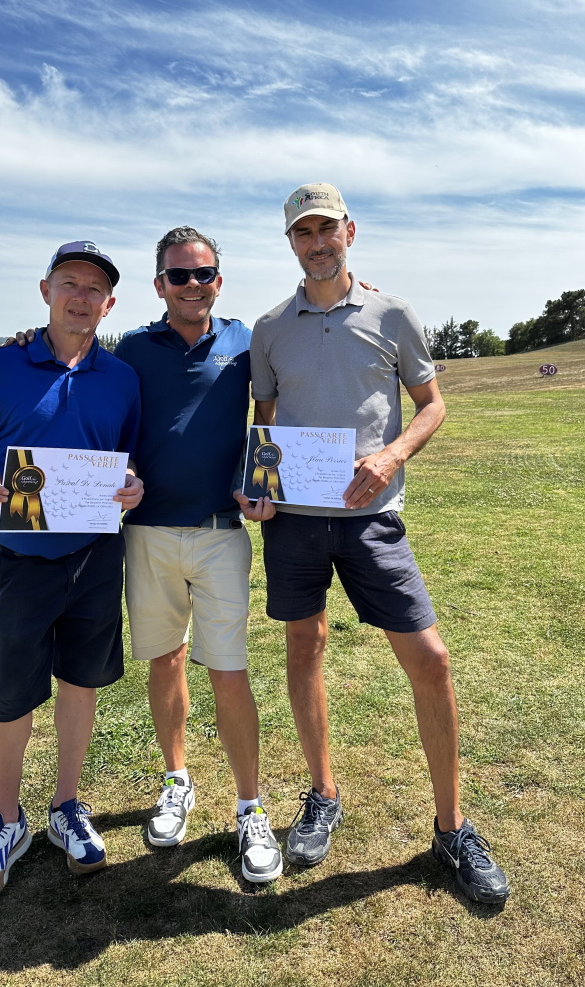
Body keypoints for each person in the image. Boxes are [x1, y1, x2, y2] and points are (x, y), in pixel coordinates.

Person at [236, 184, 510, 904]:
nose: (317, 242)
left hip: (372, 518)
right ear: (290, 242)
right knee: (305, 645)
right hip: (295, 521)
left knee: (430, 658)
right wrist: (259, 486)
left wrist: (390, 458)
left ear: (349, 232)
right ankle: (323, 792)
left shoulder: (393, 313)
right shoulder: (270, 328)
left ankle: (452, 827)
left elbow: (433, 405)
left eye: (328, 229)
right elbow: (264, 425)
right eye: (303, 233)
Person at [0, 240, 143, 897]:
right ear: (46, 290)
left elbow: (125, 460)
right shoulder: (1, 366)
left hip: (94, 557)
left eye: (95, 289)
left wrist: (133, 487)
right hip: (22, 558)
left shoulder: (121, 378)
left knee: (80, 682)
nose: (82, 297)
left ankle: (67, 805)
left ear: (109, 303)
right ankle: (8, 819)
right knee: (9, 692)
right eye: (70, 283)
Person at [108, 227, 282, 884]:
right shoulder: (130, 349)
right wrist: (22, 342)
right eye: (178, 276)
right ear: (159, 286)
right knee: (165, 660)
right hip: (147, 531)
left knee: (228, 671)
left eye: (203, 273)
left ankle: (249, 806)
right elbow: (95, 395)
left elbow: (268, 417)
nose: (192, 285)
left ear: (219, 278)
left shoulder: (246, 340)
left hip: (220, 533)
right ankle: (176, 781)